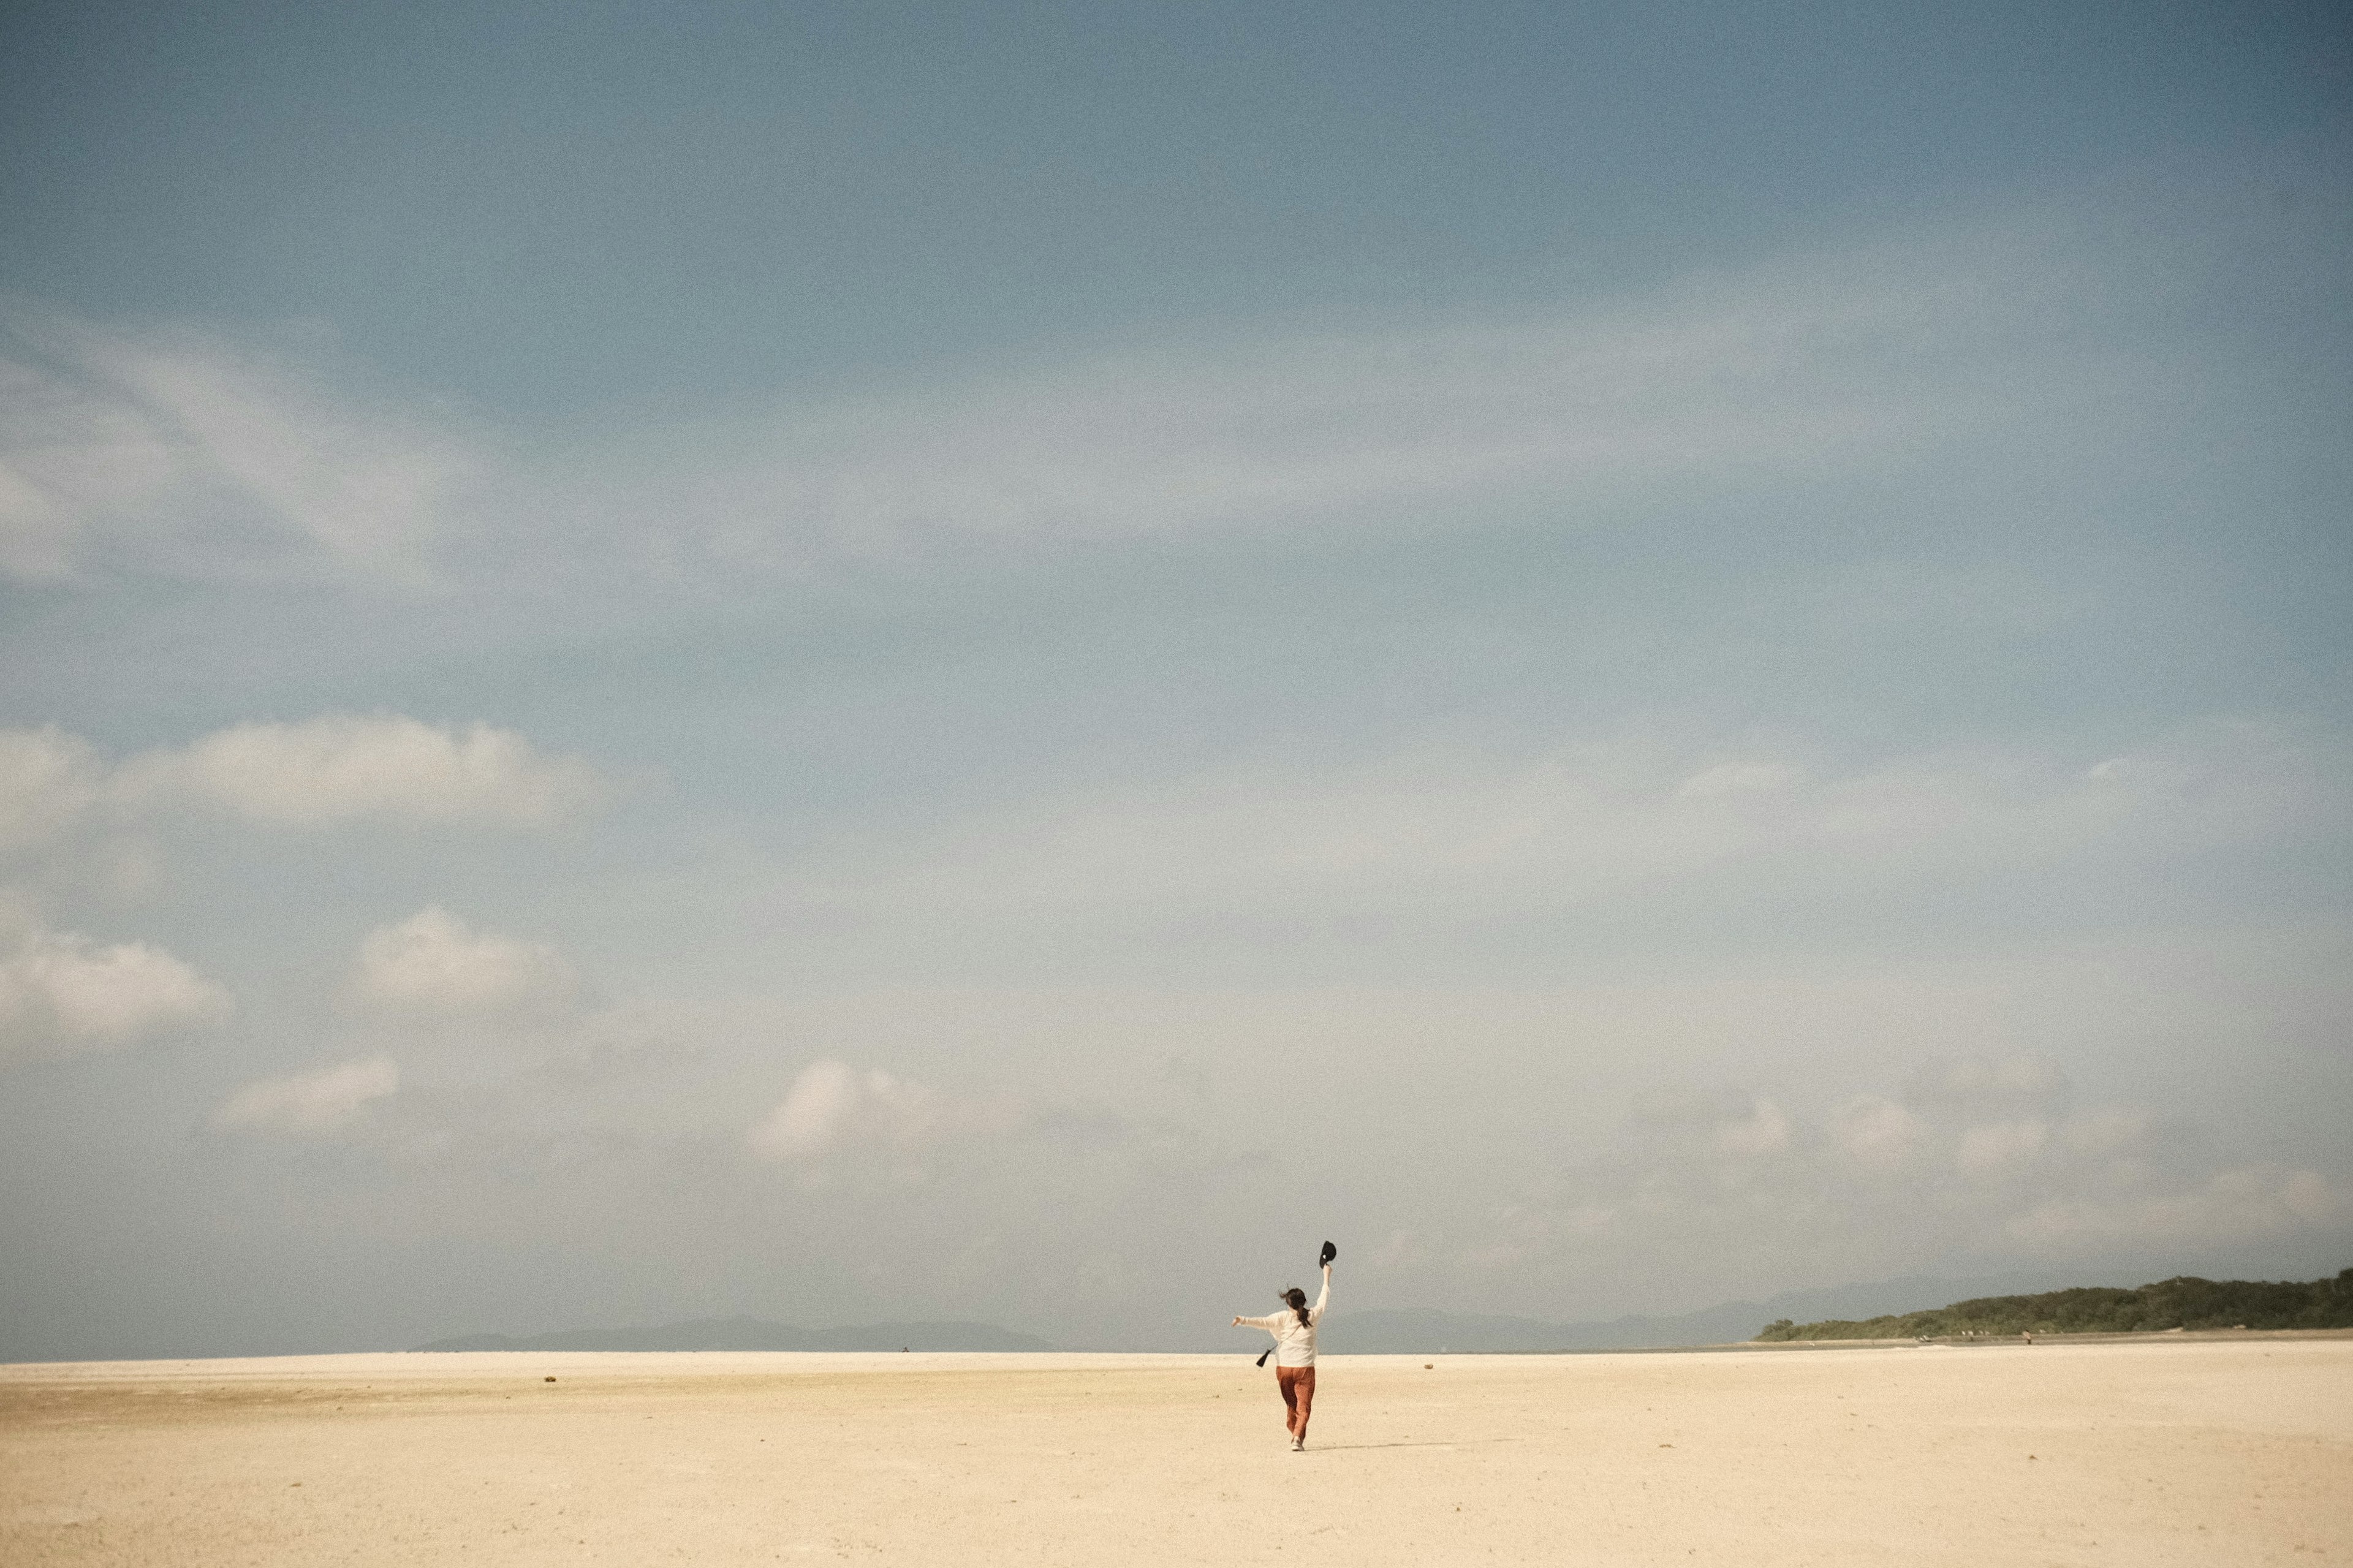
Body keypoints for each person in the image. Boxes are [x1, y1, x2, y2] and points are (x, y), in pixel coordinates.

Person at [1232, 1258, 1330, 1450]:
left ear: (1289, 1304)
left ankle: (1295, 1435)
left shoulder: (1283, 1317)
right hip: (1305, 1369)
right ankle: (1297, 1439)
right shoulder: (1313, 1316)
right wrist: (1326, 1276)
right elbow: (1324, 1298)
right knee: (1304, 1406)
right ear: (1303, 1303)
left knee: (1292, 1406)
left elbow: (1262, 1322)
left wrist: (1242, 1320)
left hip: (1284, 1368)